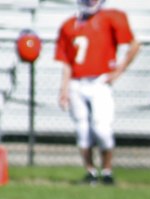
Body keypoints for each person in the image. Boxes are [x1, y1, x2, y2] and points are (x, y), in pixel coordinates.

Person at [55, 0, 140, 186]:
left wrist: (119, 70)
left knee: (102, 129)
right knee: (83, 131)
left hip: (99, 82)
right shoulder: (69, 24)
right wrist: (64, 89)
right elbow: (67, 62)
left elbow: (134, 45)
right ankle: (91, 172)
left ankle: (107, 171)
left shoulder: (111, 17)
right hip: (77, 82)